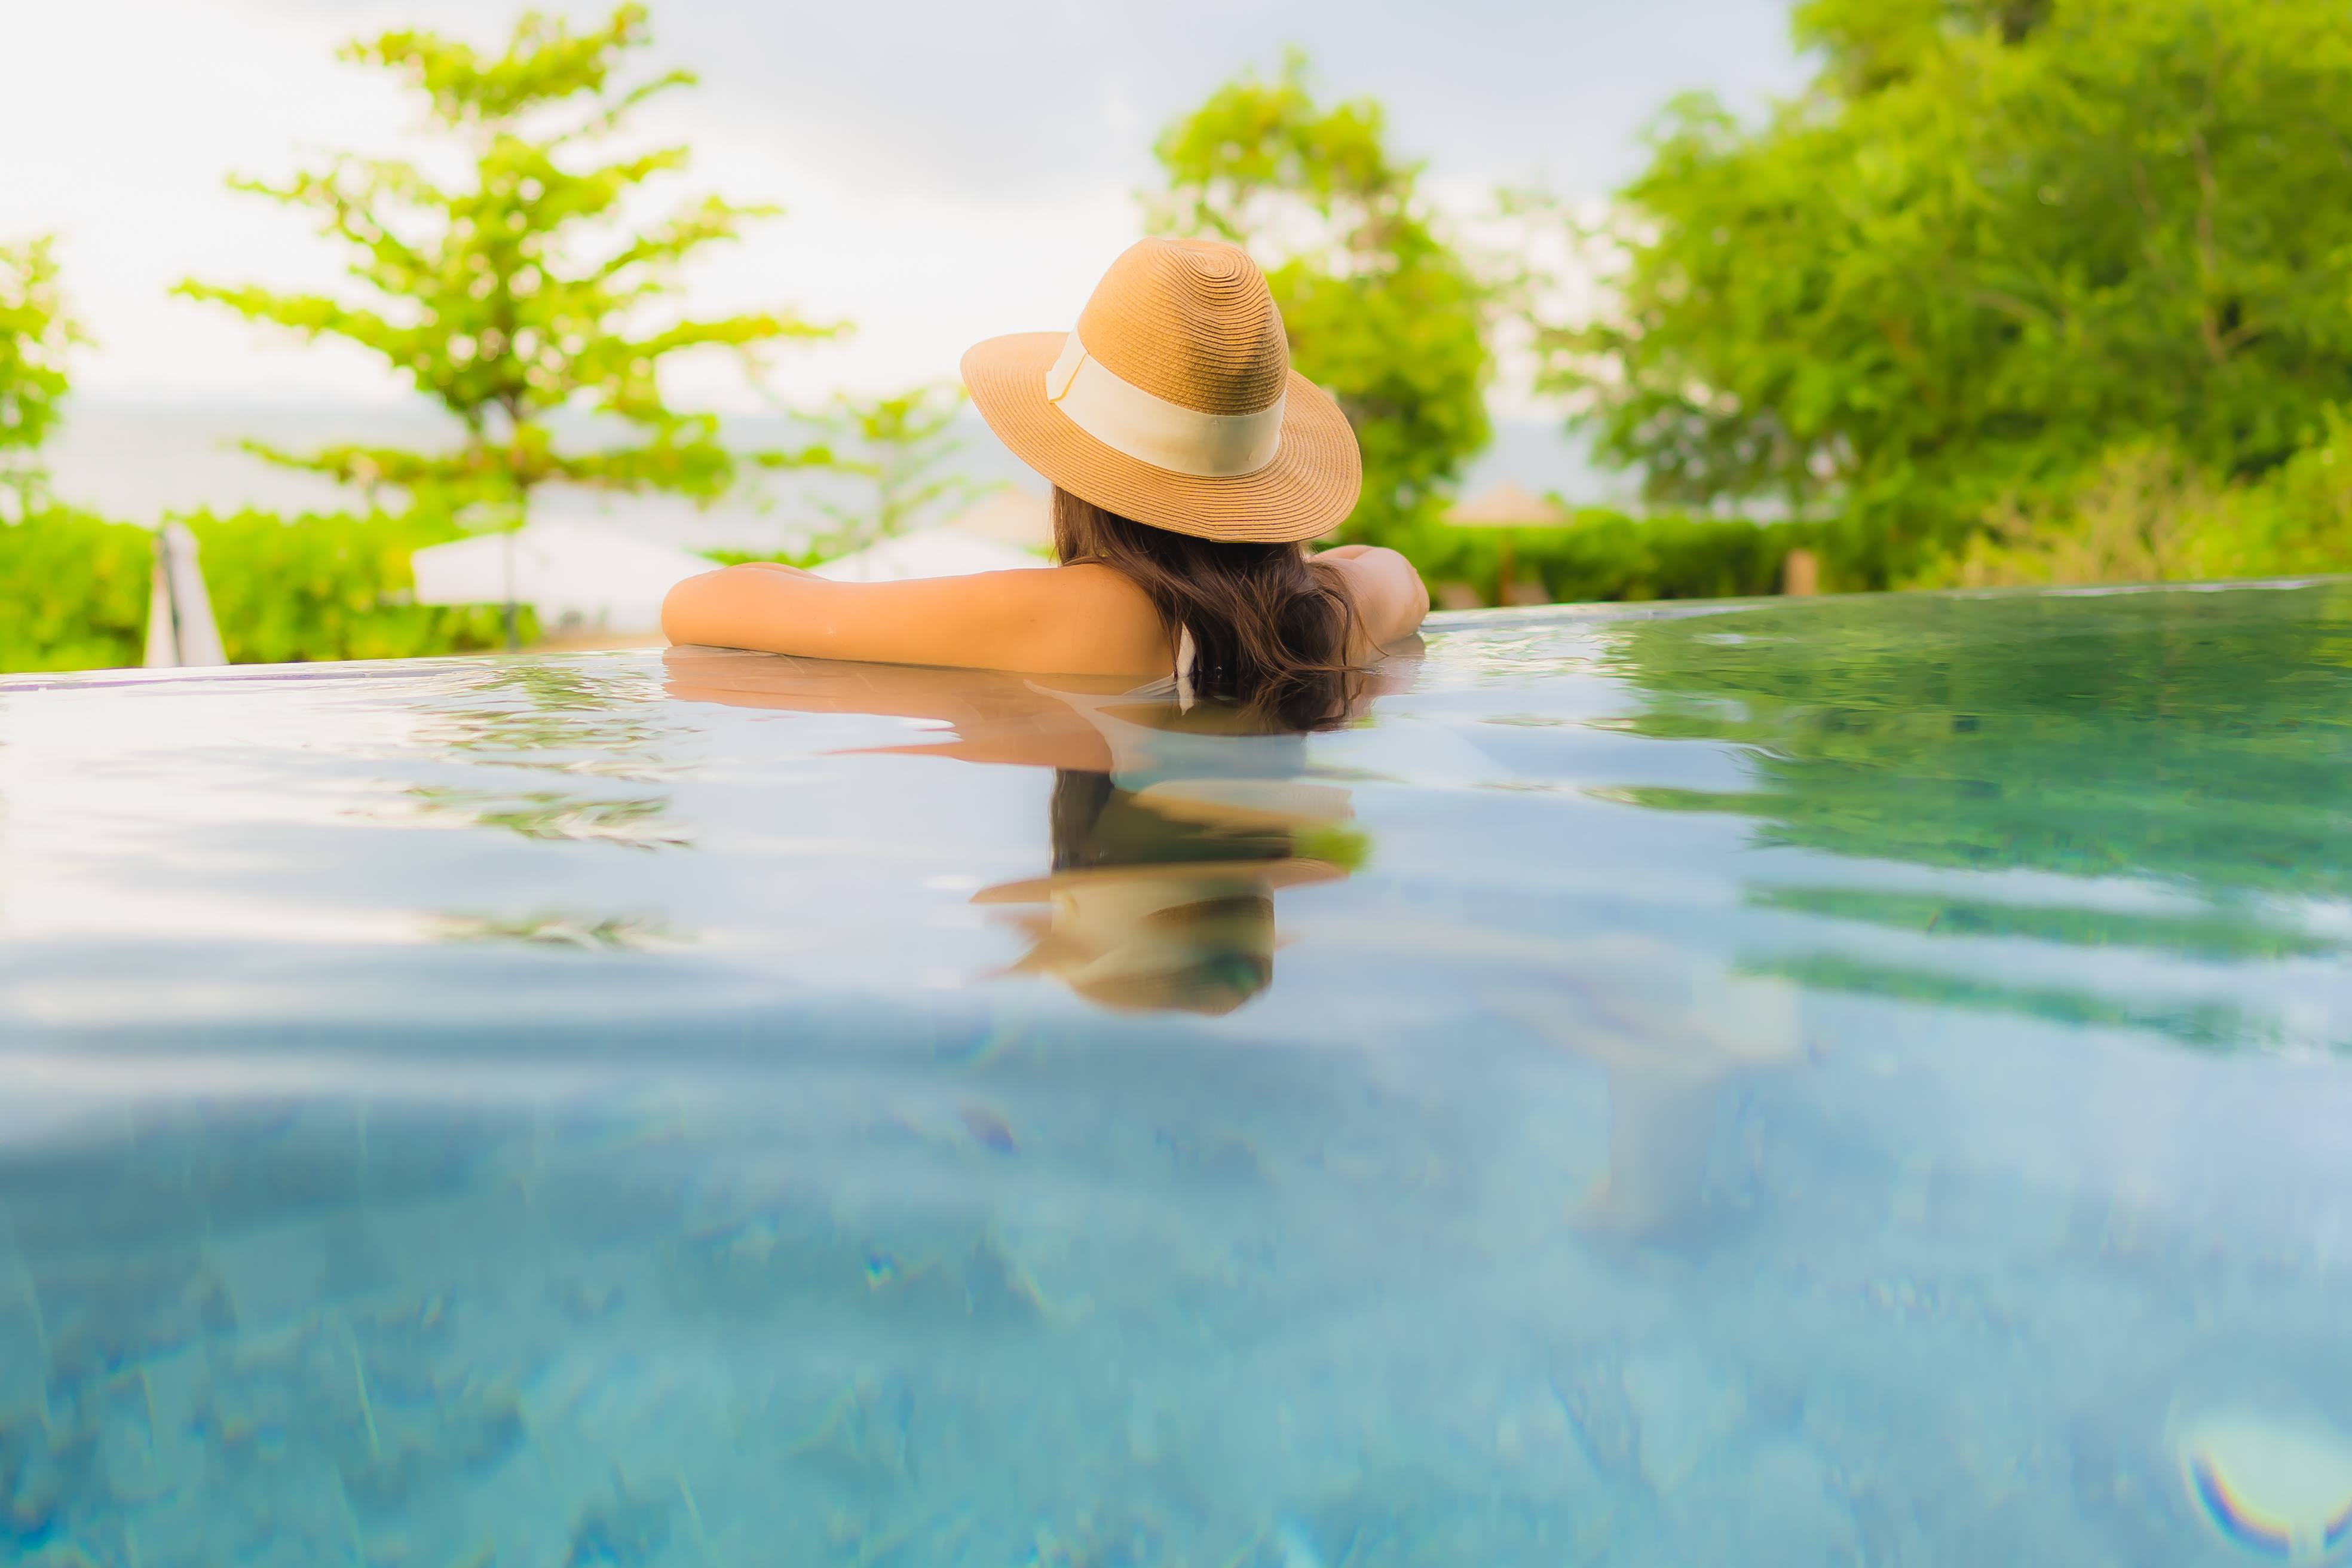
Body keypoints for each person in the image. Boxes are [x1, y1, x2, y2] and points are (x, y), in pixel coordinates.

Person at [661, 237, 1429, 729]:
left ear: (1078, 473)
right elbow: (1396, 575)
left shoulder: (1077, 615)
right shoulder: (1328, 611)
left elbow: (697, 606)